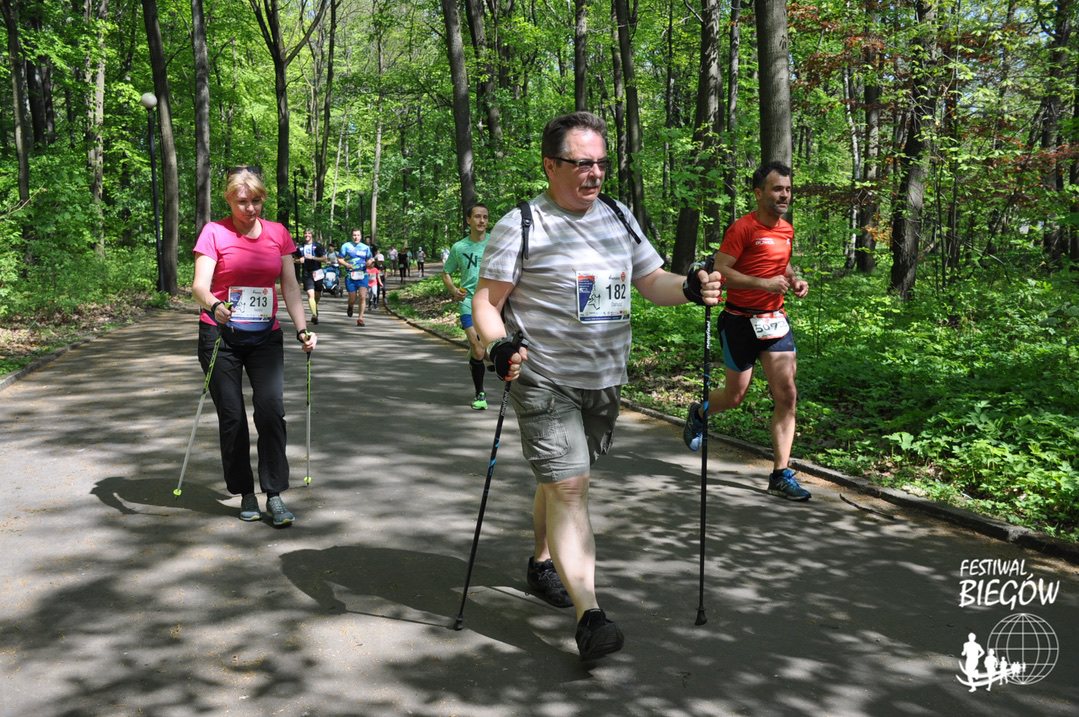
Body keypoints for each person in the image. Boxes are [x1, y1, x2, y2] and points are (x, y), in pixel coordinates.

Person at [472, 112, 723, 661]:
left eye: (602, 163)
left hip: (604, 379)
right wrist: (498, 346)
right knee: (570, 487)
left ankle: (542, 563)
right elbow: (486, 303)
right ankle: (590, 616)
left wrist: (691, 286)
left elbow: (652, 282)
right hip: (543, 377)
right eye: (582, 163)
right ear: (550, 165)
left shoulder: (618, 215)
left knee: (559, 480)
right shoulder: (522, 224)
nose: (596, 173)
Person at [190, 166, 317, 527]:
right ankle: (245, 491)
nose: (250, 208)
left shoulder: (278, 233)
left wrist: (303, 330)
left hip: (265, 336)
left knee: (271, 412)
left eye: (256, 201)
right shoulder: (214, 232)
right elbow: (199, 286)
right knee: (232, 417)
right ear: (229, 200)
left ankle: (274, 493)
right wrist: (214, 305)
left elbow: (289, 286)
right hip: (220, 335)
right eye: (243, 202)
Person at [681, 160, 812, 501]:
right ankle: (700, 412)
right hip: (739, 321)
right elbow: (722, 271)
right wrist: (762, 283)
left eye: (788, 189)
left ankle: (781, 474)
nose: (784, 195)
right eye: (777, 189)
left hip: (774, 320)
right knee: (734, 396)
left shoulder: (786, 230)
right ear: (758, 193)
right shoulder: (743, 228)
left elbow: (782, 264)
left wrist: (794, 279)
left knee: (787, 395)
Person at [442, 203, 491, 410]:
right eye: (477, 216)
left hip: (492, 302)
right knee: (478, 349)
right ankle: (480, 394)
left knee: (488, 348)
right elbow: (446, 272)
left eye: (485, 217)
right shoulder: (459, 247)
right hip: (468, 302)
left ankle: (477, 354)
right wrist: (454, 290)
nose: (482, 220)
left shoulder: (495, 243)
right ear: (468, 220)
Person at [339, 229, 374, 326]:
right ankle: (350, 306)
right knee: (352, 298)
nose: (356, 237)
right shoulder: (346, 246)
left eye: (358, 235)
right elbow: (340, 259)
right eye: (354, 235)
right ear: (352, 236)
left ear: (361, 236)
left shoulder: (365, 247)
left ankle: (360, 318)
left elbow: (370, 259)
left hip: (363, 275)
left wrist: (370, 262)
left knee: (363, 296)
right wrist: (347, 264)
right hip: (350, 275)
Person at [293, 228, 328, 325]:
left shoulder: (318, 246)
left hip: (317, 272)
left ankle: (315, 308)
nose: (307, 235)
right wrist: (299, 260)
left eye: (309, 233)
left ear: (312, 235)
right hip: (307, 273)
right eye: (305, 233)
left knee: (317, 295)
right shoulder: (300, 247)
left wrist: (313, 257)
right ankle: (314, 315)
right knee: (310, 294)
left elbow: (324, 259)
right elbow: (293, 259)